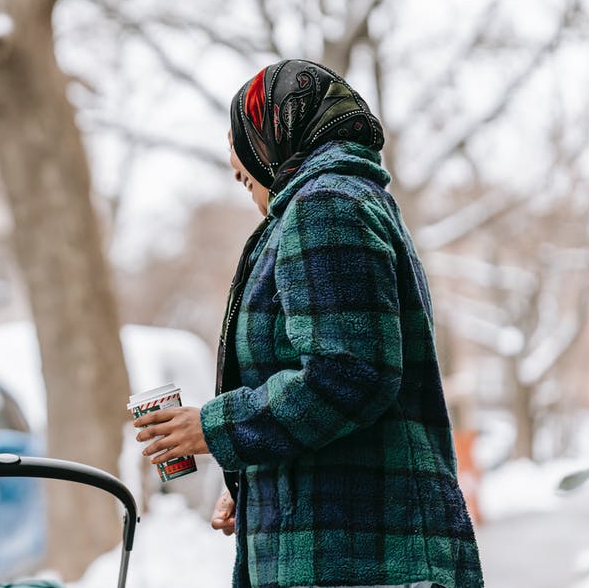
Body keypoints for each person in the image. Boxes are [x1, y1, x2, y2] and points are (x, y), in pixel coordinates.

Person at [133, 60, 484, 587]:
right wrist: (259, 480)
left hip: (360, 561)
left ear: (269, 141)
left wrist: (212, 427)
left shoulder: (325, 206)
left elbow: (349, 375)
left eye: (242, 168)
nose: (245, 184)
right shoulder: (351, 200)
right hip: (352, 548)